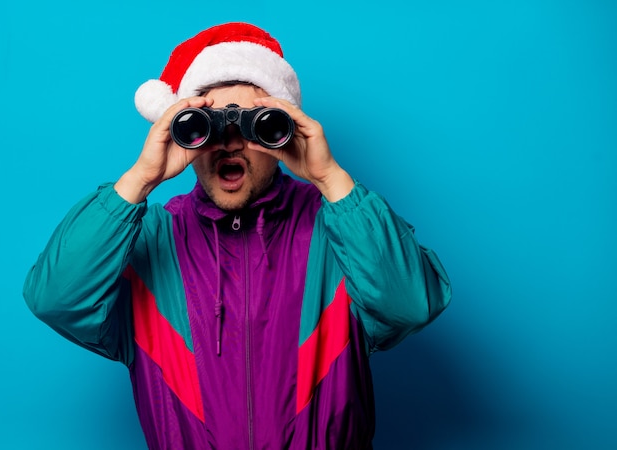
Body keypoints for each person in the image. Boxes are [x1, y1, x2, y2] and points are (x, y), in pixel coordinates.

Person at [23, 22, 451, 449]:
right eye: (204, 125)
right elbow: (56, 298)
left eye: (254, 126)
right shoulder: (146, 243)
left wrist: (332, 179)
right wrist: (140, 179)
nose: (230, 144)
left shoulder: (339, 233)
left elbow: (411, 305)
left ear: (283, 131)